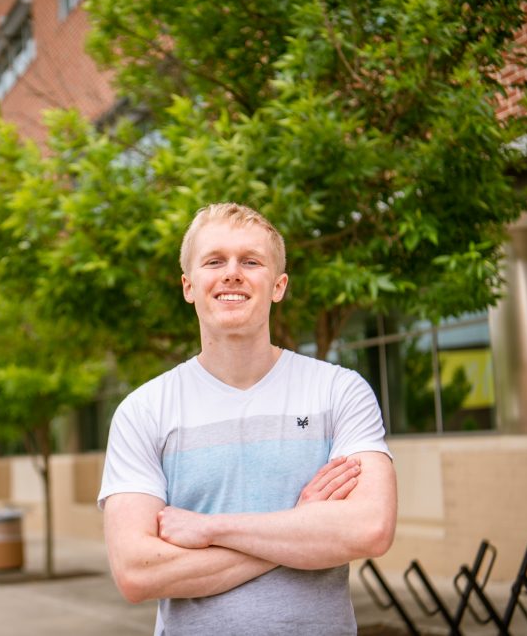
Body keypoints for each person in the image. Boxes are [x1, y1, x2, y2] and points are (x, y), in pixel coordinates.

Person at [98, 203, 396, 635]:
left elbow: (370, 528)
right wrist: (301, 525)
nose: (232, 273)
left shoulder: (338, 391)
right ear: (189, 286)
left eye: (251, 261)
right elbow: (137, 573)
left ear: (278, 285)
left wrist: (210, 529)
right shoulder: (144, 410)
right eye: (214, 260)